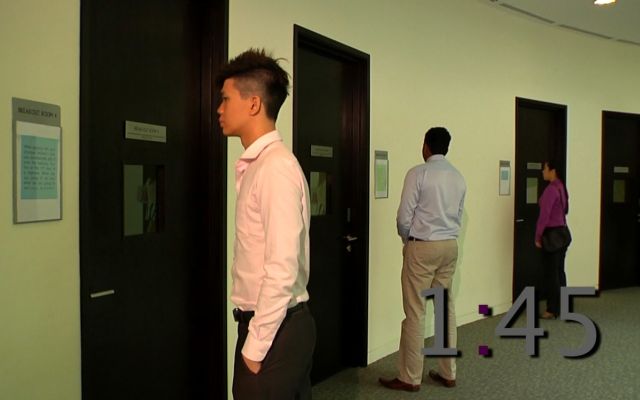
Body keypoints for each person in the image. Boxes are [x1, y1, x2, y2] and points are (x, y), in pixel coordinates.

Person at [216, 48, 316, 400]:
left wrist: (254, 347)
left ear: (254, 104)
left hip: (274, 329)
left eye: (226, 99)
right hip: (273, 324)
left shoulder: (274, 168)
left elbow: (282, 266)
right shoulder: (262, 165)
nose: (219, 109)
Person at [379, 127, 466, 393]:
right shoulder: (458, 177)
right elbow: (459, 214)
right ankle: (448, 373)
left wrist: (408, 240)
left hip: (422, 246)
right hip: (449, 246)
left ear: (426, 146)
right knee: (444, 309)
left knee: (415, 312)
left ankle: (410, 377)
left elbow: (403, 217)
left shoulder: (418, 173)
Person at [535, 160, 570, 320]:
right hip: (563, 233)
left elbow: (544, 216)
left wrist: (538, 236)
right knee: (560, 272)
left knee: (551, 274)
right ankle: (562, 306)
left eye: (545, 168)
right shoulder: (561, 187)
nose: (543, 171)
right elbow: (565, 210)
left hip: (552, 236)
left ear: (552, 170)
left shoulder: (550, 190)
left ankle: (552, 309)